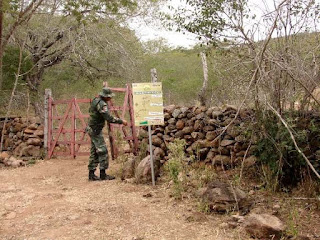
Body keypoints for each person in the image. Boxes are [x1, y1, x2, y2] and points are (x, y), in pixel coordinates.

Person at [86, 88, 128, 181]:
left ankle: (91, 174)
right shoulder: (101, 104)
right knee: (103, 151)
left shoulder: (95, 100)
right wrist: (121, 121)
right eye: (109, 97)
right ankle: (103, 174)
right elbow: (109, 118)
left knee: (94, 151)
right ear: (106, 96)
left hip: (92, 129)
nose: (110, 99)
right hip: (95, 130)